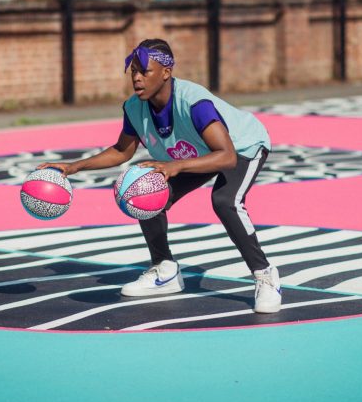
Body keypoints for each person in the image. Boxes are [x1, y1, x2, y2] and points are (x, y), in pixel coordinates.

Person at [41, 38, 282, 313]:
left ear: (166, 73)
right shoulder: (134, 107)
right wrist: (74, 167)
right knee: (143, 189)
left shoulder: (194, 103)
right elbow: (122, 150)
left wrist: (175, 167)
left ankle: (265, 275)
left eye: (145, 71)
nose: (137, 78)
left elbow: (226, 157)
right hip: (196, 153)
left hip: (242, 147)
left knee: (225, 200)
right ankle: (164, 269)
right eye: (134, 71)